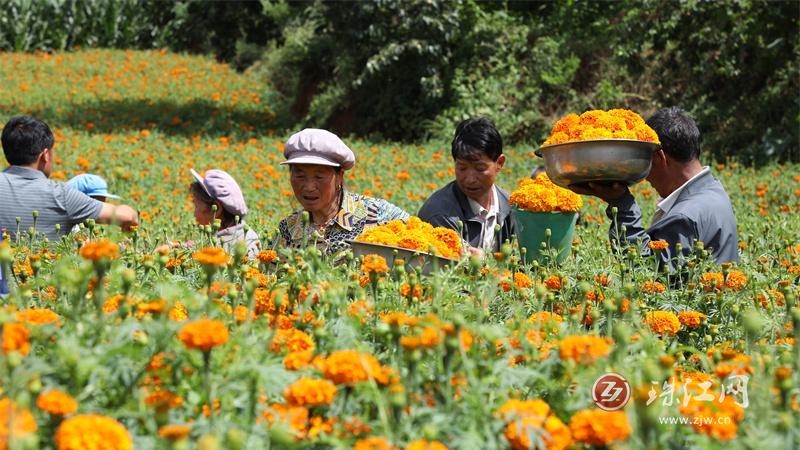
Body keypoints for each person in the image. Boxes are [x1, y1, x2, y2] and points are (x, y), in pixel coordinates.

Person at [569, 107, 739, 268]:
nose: (645, 177)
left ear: (659, 158)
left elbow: (646, 271)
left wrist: (622, 205)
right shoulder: (714, 190)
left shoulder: (685, 216)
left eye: (645, 162)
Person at [0, 115, 138, 242]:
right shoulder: (61, 195)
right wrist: (130, 212)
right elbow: (127, 216)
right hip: (42, 267)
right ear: (45, 155)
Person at [276, 128, 409, 257]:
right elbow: (270, 275)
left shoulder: (377, 214)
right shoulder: (287, 230)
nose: (309, 187)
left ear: (339, 176)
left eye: (319, 176)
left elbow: (421, 244)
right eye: (300, 176)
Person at [418, 117, 516, 254]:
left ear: (500, 163)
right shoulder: (440, 214)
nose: (470, 179)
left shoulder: (511, 207)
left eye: (480, 168)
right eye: (462, 168)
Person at [190, 168, 261, 259]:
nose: (194, 213)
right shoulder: (246, 235)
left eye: (196, 206)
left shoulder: (222, 252)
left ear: (216, 209)